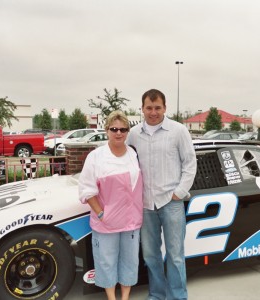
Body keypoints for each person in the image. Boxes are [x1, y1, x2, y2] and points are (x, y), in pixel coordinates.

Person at [127, 89, 197, 300]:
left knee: (175, 256)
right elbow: (127, 164)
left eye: (158, 108)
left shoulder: (178, 131)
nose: (153, 112)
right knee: (150, 255)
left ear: (165, 108)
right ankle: (156, 295)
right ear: (142, 109)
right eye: (149, 108)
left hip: (171, 203)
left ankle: (177, 297)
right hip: (145, 204)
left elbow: (190, 163)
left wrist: (179, 192)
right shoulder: (134, 134)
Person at [78, 110, 143, 300]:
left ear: (127, 131)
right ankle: (111, 297)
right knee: (106, 261)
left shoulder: (132, 153)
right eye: (114, 129)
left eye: (123, 129)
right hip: (106, 223)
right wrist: (100, 214)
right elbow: (87, 188)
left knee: (130, 261)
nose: (119, 133)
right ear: (107, 130)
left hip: (131, 221)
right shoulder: (96, 156)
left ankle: (125, 297)